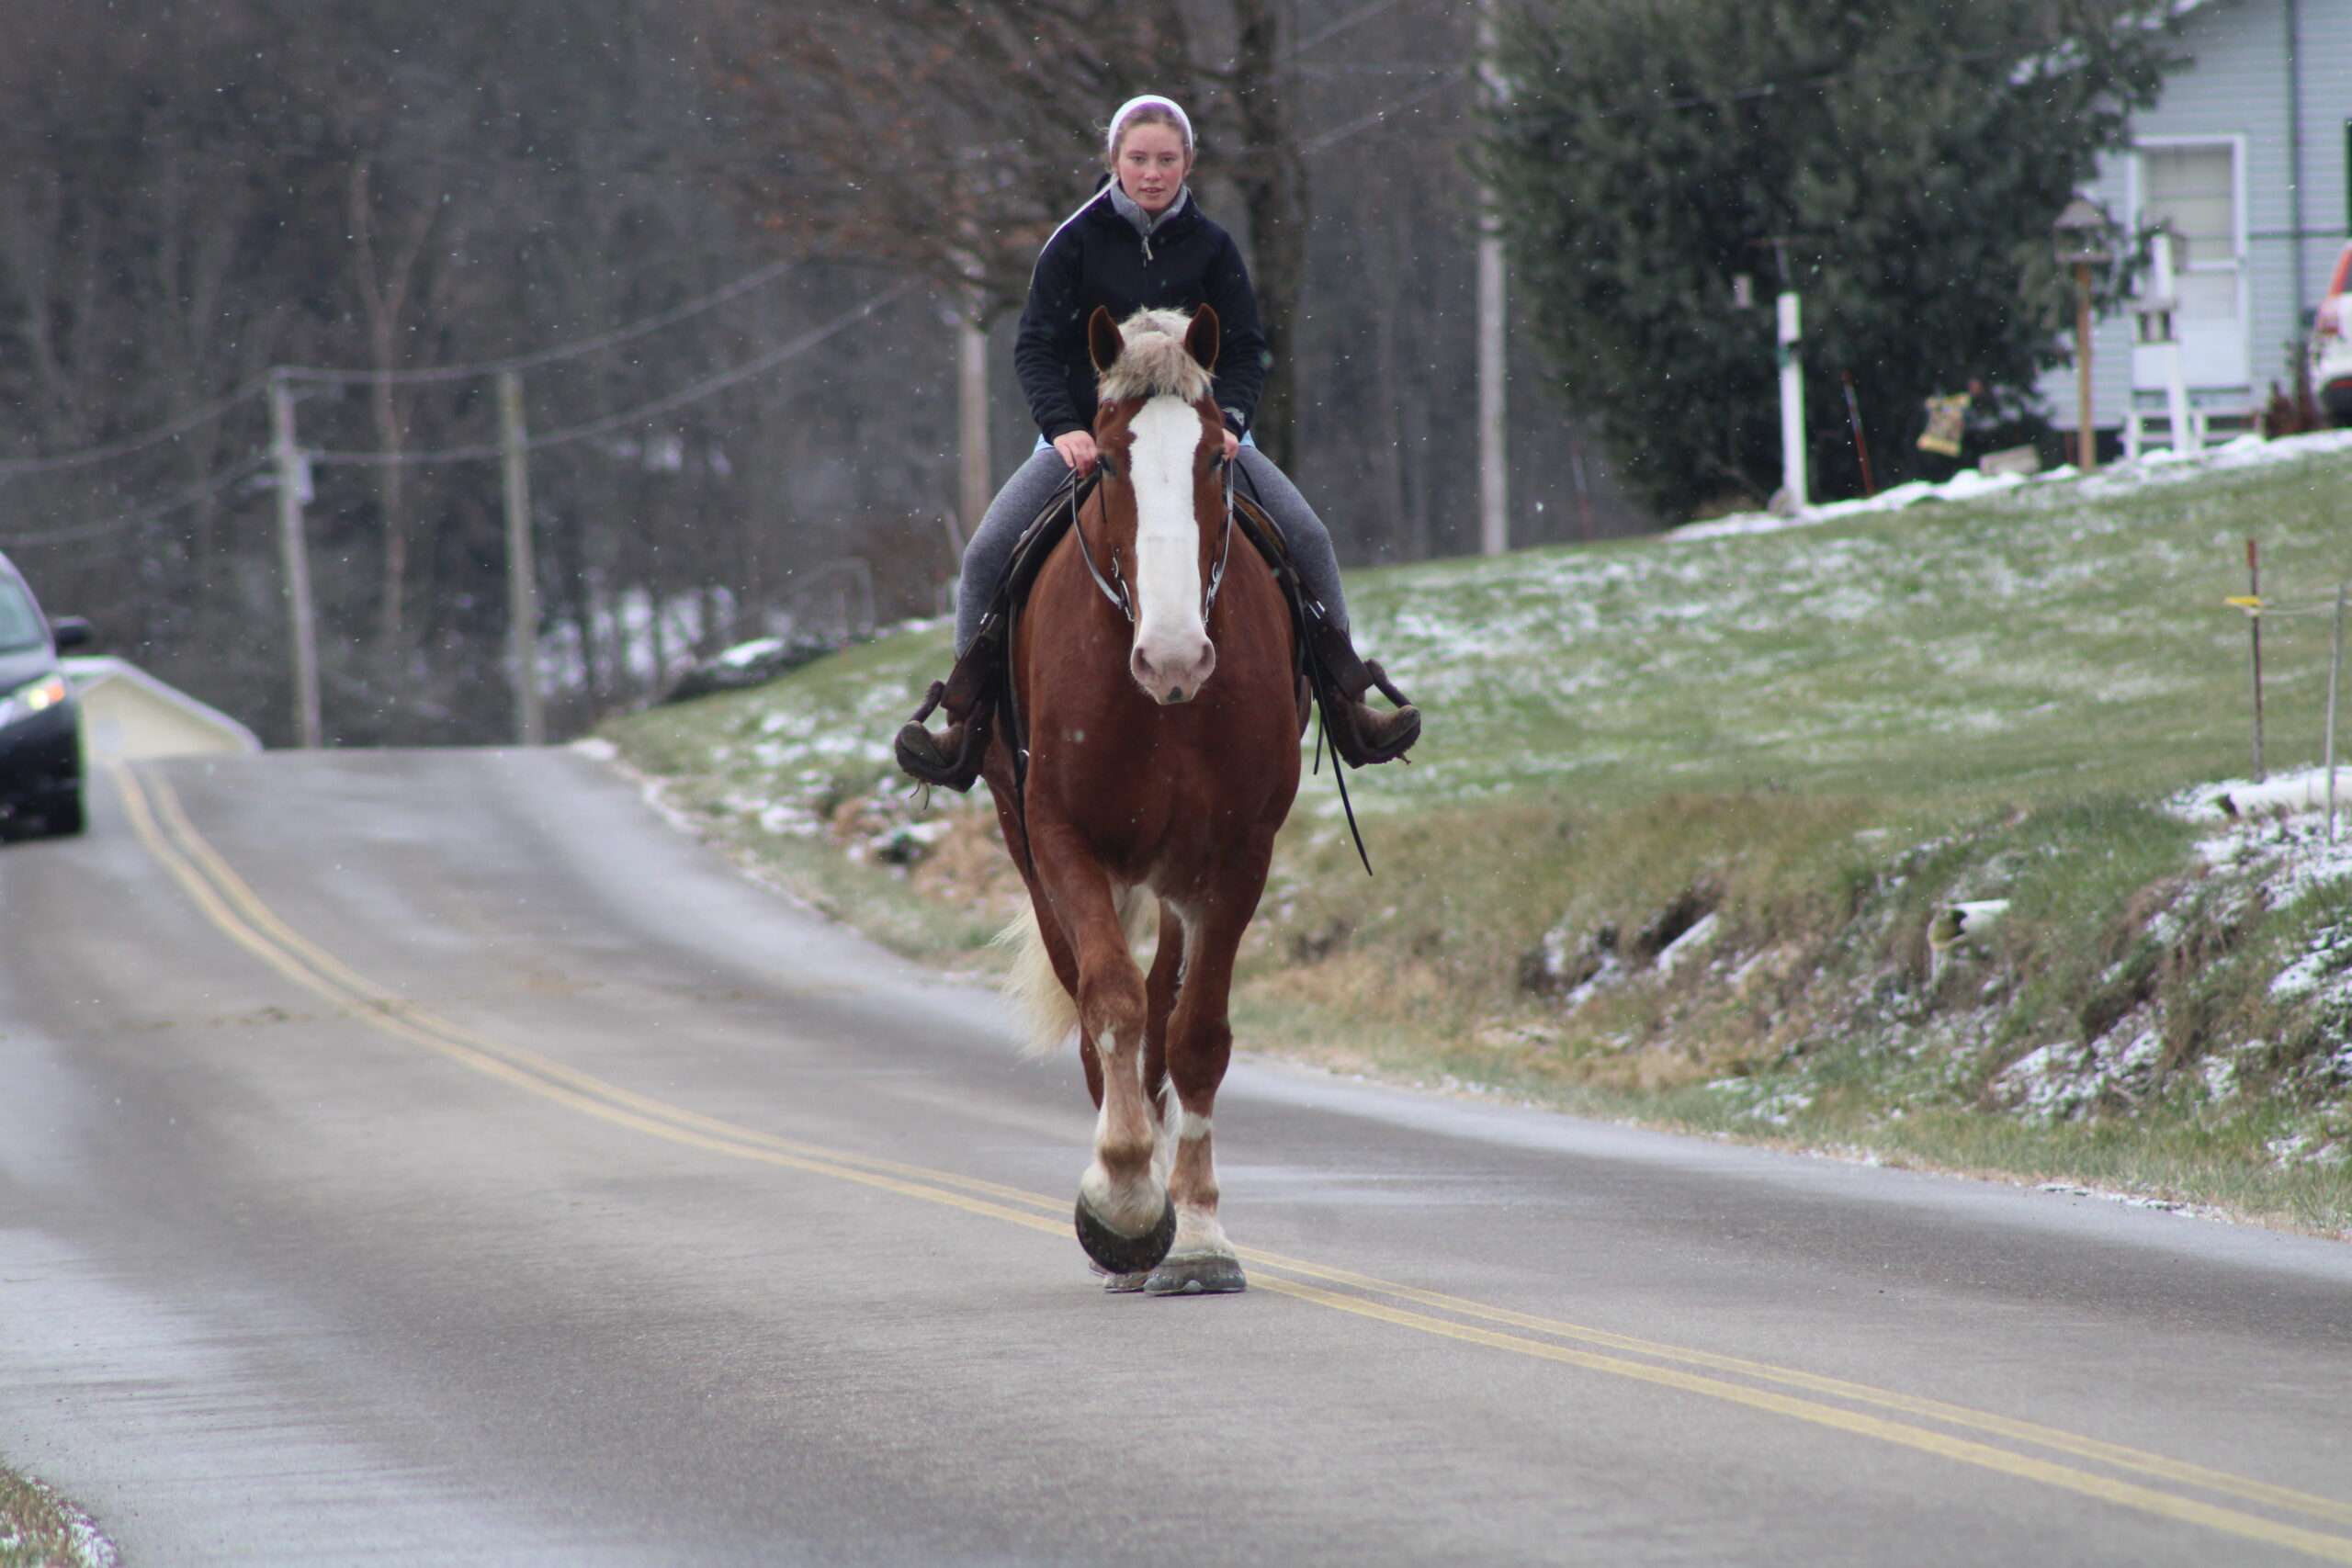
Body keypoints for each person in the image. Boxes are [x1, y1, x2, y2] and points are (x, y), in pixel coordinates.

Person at [895, 92, 1420, 791]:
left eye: (1166, 159)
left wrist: (1232, 423)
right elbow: (1035, 349)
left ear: (1188, 163)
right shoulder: (1073, 242)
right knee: (986, 552)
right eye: (1138, 158)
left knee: (1309, 538)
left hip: (1202, 439)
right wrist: (1063, 429)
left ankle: (1350, 710)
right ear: (1113, 159)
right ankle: (965, 727)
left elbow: (1247, 349)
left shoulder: (1214, 248)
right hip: (1091, 441)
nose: (1152, 173)